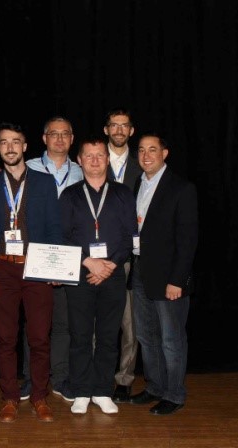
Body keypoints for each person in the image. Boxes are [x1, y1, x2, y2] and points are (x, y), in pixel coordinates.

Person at [0, 122, 61, 423]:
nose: (10, 147)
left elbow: (54, 227)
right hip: (2, 268)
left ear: (25, 147)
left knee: (39, 338)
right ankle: (10, 397)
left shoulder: (44, 182)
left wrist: (54, 266)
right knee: (5, 338)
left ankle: (39, 396)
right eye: (4, 142)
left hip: (36, 266)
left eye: (15, 142)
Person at [59, 137, 137, 414]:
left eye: (100, 155)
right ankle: (81, 391)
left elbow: (130, 237)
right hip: (80, 273)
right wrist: (88, 261)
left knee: (108, 335)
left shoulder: (123, 193)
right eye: (89, 156)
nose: (94, 160)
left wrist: (110, 265)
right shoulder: (69, 195)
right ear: (79, 160)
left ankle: (103, 390)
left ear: (107, 160)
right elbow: (63, 236)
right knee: (80, 335)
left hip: (113, 274)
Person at [128, 134, 198, 415]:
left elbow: (188, 240)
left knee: (171, 340)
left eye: (152, 150)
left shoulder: (182, 188)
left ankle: (174, 394)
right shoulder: (138, 184)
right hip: (140, 271)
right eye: (141, 150)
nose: (146, 156)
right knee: (147, 337)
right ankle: (155, 387)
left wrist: (177, 280)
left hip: (169, 278)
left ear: (164, 153)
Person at [19, 116, 83, 401]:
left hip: (69, 257)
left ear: (72, 139)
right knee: (34, 324)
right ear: (44, 138)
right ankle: (32, 378)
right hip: (35, 254)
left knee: (62, 324)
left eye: (65, 133)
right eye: (53, 134)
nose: (59, 138)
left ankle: (60, 378)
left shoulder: (82, 171)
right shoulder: (28, 167)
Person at [103, 108, 143, 403]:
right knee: (96, 323)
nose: (118, 130)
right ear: (106, 130)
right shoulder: (90, 159)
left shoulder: (143, 164)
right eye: (114, 125)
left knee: (130, 324)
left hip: (131, 257)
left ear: (131, 130)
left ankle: (124, 378)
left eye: (124, 125)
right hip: (96, 257)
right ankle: (98, 375)